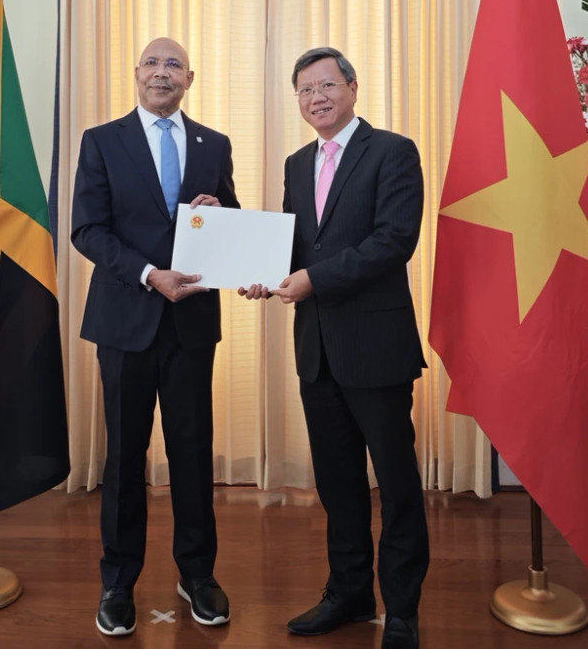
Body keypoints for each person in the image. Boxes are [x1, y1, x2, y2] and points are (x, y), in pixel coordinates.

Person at [240, 47, 428, 649]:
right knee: (337, 483)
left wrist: (313, 279)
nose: (315, 97)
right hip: (316, 349)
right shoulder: (298, 162)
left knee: (396, 484)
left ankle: (400, 609)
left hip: (376, 347)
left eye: (325, 85)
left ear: (352, 85)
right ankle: (348, 593)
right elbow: (299, 245)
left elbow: (394, 241)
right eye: (304, 90)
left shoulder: (393, 152)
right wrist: (260, 269)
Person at [72, 37, 239, 637]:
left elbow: (232, 222)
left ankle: (198, 574)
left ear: (189, 78)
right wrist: (148, 274)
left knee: (193, 454)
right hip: (125, 320)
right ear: (136, 73)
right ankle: (118, 580)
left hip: (192, 323)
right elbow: (86, 230)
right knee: (123, 458)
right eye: (151, 62)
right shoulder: (101, 141)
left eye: (173, 65)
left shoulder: (213, 144)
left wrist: (218, 210)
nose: (161, 73)